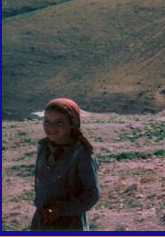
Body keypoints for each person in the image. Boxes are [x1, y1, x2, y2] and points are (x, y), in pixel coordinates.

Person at [30, 98, 99, 231]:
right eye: (47, 122)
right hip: (42, 222)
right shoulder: (44, 147)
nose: (51, 128)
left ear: (72, 124)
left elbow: (92, 195)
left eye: (59, 123)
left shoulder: (82, 154)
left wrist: (60, 209)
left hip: (70, 224)